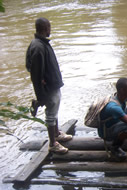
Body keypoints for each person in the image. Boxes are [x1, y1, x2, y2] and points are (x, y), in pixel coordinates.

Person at [26, 17, 72, 154]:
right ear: (46, 28)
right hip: (49, 87)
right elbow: (34, 72)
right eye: (49, 27)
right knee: (51, 114)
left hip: (53, 84)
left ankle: (56, 133)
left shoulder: (40, 43)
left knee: (54, 109)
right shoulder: (38, 47)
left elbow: (29, 65)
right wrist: (41, 92)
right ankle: (53, 143)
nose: (50, 30)